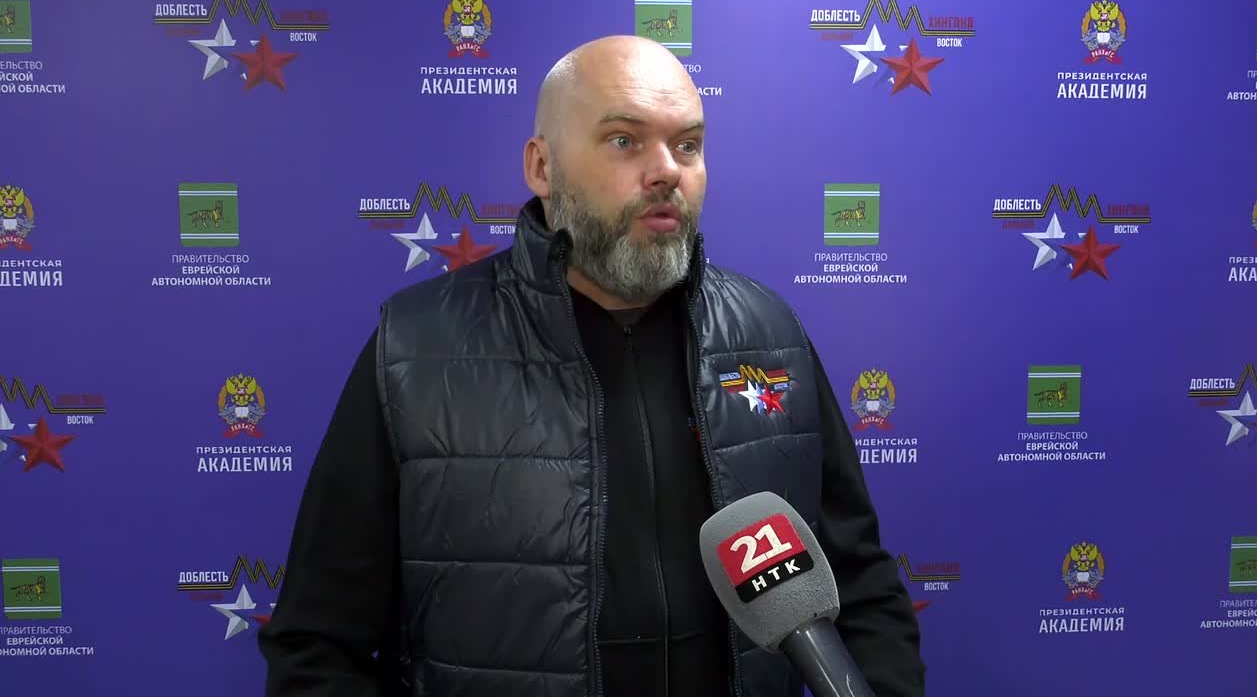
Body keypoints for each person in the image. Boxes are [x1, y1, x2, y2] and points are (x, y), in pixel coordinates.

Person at [258, 34, 924, 697]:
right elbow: (318, 645)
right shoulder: (415, 347)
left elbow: (861, 589)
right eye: (624, 140)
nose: (666, 171)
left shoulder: (769, 333)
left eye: (687, 145)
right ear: (542, 167)